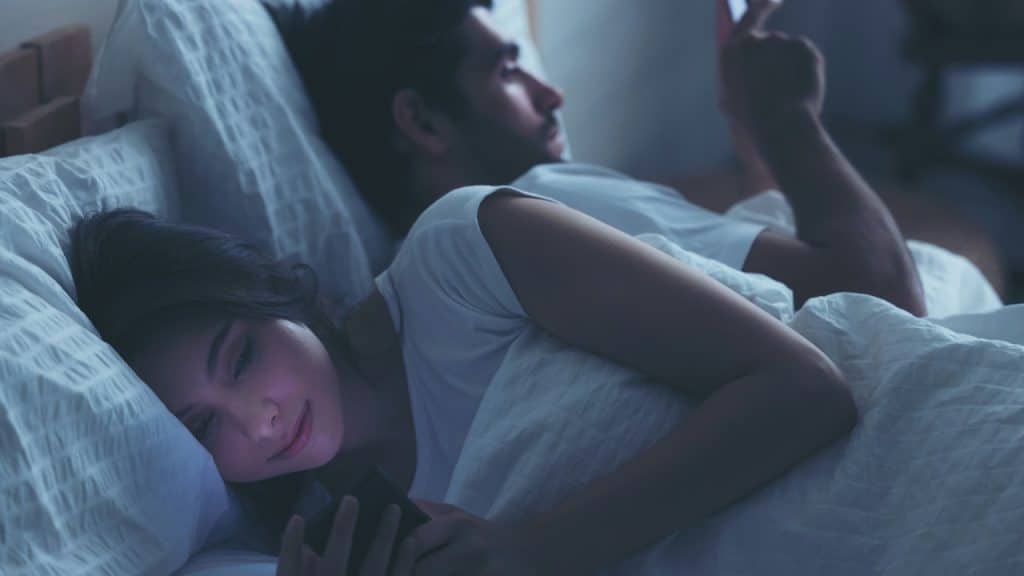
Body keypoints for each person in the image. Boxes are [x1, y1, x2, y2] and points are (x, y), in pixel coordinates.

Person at [70, 190, 855, 573]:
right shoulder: (327, 543)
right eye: (204, 426)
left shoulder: (459, 262)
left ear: (273, 291)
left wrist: (535, 549)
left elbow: (805, 386)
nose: (260, 421)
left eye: (241, 358)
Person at [269, 0, 927, 316]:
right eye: (507, 71)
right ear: (421, 121)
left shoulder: (424, 290)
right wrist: (790, 119)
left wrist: (743, 123)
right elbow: (883, 297)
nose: (551, 93)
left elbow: (759, 270)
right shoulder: (543, 203)